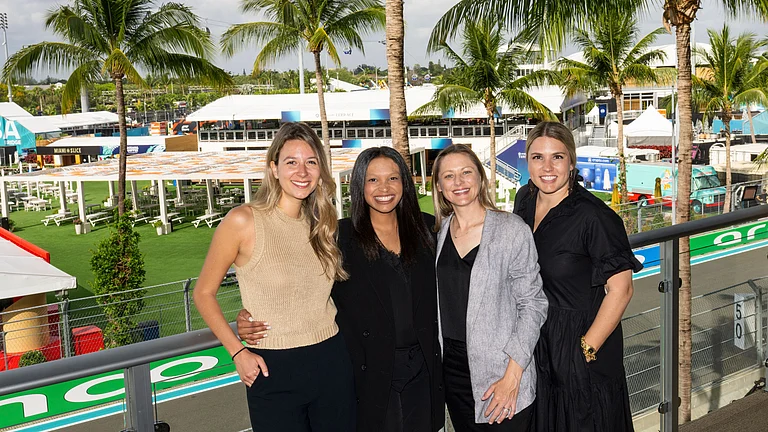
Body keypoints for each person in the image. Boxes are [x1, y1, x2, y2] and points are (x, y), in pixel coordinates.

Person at [238, 146, 445, 432]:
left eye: (393, 178)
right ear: (359, 185)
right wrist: (249, 314)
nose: (383, 188)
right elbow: (297, 282)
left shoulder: (427, 229)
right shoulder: (338, 236)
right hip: (370, 373)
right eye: (372, 180)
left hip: (422, 369)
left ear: (405, 183)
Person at [193, 122, 356, 432]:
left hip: (332, 360)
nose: (302, 171)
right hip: (271, 368)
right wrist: (238, 352)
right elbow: (203, 293)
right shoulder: (244, 221)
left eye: (311, 162)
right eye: (291, 162)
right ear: (273, 168)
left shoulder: (324, 225)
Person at [513, 121, 642, 431]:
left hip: (580, 344)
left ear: (571, 161)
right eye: (537, 157)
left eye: (557, 157)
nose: (547, 167)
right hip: (538, 343)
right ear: (527, 160)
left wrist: (583, 351)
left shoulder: (595, 217)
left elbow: (621, 290)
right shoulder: (524, 201)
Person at [431, 144, 548, 431]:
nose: (458, 183)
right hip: (454, 373)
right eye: (449, 176)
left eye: (466, 172)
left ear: (481, 179)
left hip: (502, 370)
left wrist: (512, 376)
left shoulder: (511, 230)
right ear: (439, 186)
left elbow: (534, 304)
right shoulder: (440, 233)